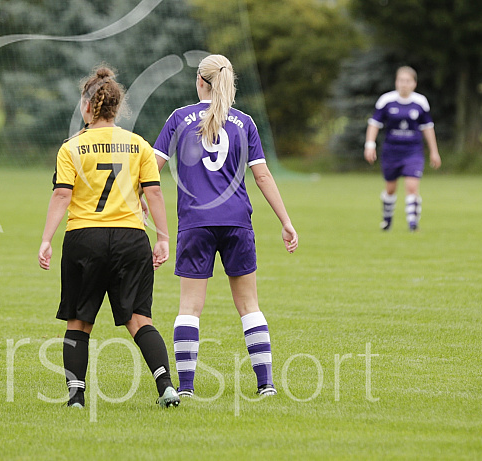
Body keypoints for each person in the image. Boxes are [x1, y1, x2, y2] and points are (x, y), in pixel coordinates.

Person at [152, 54, 298, 397]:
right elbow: (261, 176)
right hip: (236, 222)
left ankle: (185, 389)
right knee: (250, 306)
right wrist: (286, 221)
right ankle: (266, 385)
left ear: (200, 82)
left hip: (195, 222)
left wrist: (139, 202)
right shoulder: (244, 121)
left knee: (189, 307)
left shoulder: (178, 118)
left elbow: (151, 169)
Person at [38, 66, 180, 409]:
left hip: (84, 238)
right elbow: (155, 195)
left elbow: (61, 196)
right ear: (116, 108)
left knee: (79, 320)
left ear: (87, 107)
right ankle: (166, 387)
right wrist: (163, 238)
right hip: (131, 239)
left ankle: (76, 398)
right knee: (139, 319)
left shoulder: (71, 148)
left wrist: (46, 239)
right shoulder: (138, 145)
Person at [364, 66, 441, 231]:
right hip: (391, 151)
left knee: (412, 186)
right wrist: (370, 144)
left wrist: (434, 151)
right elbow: (374, 124)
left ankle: (413, 224)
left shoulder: (420, 102)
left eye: (407, 81)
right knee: (390, 189)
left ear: (414, 83)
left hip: (413, 151)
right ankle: (387, 220)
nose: (403, 84)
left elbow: (427, 128)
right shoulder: (386, 100)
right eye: (400, 81)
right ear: (396, 82)